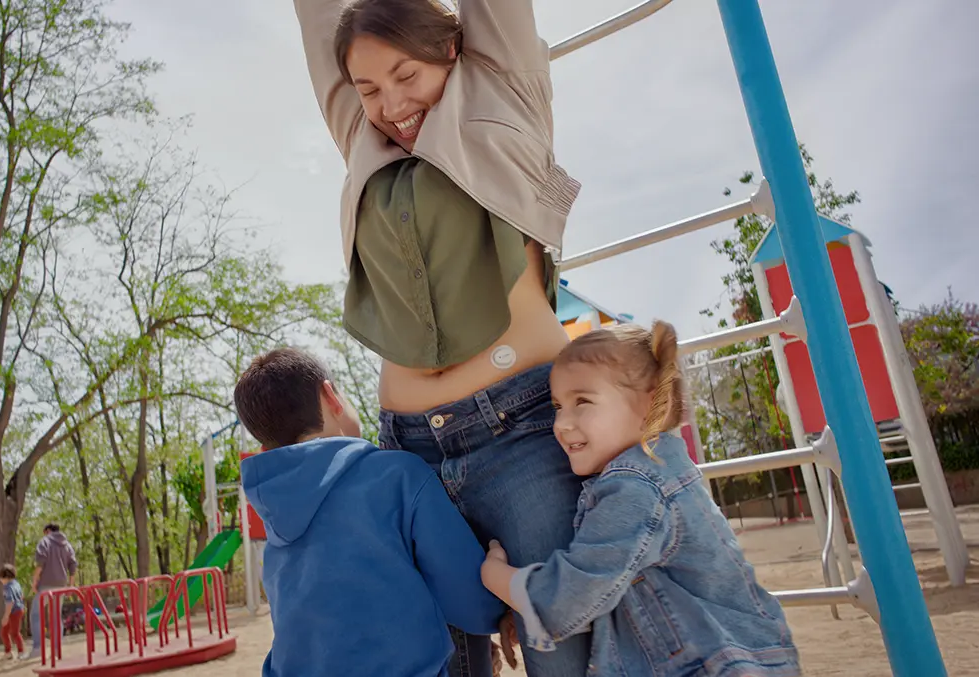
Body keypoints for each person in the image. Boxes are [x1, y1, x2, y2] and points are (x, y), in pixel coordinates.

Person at [294, 0, 587, 674]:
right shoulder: (363, 139)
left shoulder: (504, 94)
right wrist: (365, 90)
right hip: (410, 453)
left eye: (406, 75)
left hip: (525, 435)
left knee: (562, 660)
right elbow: (317, 21)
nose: (391, 104)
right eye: (367, 87)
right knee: (435, 663)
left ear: (449, 52)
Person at [480, 322, 802, 676]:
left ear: (651, 405)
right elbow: (604, 592)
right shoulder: (660, 469)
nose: (561, 423)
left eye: (582, 401)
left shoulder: (636, 488)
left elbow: (569, 601)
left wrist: (496, 577)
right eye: (557, 406)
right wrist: (520, 607)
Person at [235, 348, 506, 677]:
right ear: (331, 396)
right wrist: (498, 598)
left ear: (265, 447)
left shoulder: (274, 510)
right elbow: (472, 606)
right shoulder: (397, 475)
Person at [28, 523, 77, 658]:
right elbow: (73, 566)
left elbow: (40, 563)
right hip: (61, 585)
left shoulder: (45, 541)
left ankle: (38, 648)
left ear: (47, 531)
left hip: (46, 584)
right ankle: (56, 650)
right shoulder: (67, 545)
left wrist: (34, 581)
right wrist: (70, 586)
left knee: (35, 614)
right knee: (56, 617)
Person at [0, 564, 26, 660]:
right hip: (19, 609)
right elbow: (22, 595)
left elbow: (10, 602)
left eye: (0, 578)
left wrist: (6, 616)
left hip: (14, 611)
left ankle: (21, 652)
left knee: (14, 632)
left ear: (5, 577)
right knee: (4, 632)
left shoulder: (7, 588)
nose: (0, 581)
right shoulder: (16, 583)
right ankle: (8, 652)